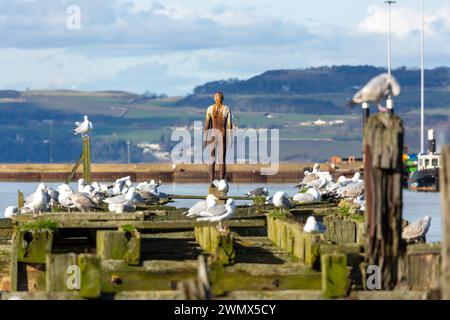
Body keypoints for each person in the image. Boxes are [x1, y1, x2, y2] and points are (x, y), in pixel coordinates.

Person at [204, 91, 233, 186]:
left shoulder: (209, 109)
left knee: (211, 160)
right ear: (223, 99)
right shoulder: (226, 109)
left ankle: (212, 181)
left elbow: (207, 126)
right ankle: (221, 182)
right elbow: (229, 126)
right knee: (222, 160)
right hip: (222, 136)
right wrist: (230, 139)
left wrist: (205, 139)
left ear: (214, 98)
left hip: (212, 136)